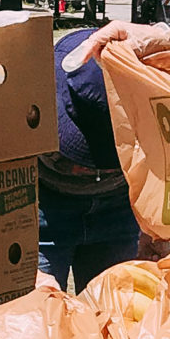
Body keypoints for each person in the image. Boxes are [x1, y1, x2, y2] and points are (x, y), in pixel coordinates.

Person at [35, 29, 142, 292]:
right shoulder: (26, 96)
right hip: (45, 207)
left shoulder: (147, 93)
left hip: (119, 207)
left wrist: (153, 228)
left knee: (114, 317)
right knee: (36, 318)